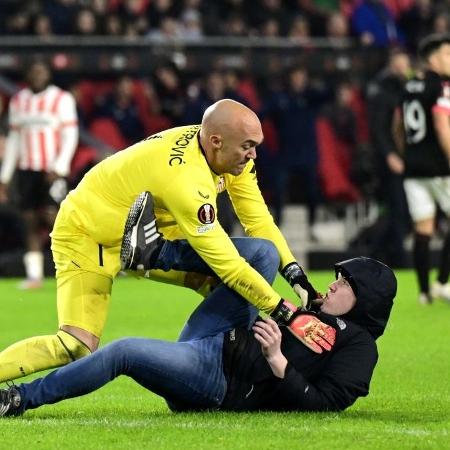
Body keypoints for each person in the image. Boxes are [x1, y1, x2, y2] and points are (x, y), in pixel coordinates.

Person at [0, 99, 319, 384]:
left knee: (234, 284)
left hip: (146, 240)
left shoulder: (222, 148)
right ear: (217, 142)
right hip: (86, 234)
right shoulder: (186, 180)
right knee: (76, 346)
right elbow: (231, 265)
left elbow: (258, 220)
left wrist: (295, 276)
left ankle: (227, 372)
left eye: (256, 145)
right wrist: (285, 311)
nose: (253, 155)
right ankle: (218, 370)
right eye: (248, 146)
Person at [0, 256, 397, 416]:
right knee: (260, 255)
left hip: (219, 378)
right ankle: (152, 254)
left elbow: (327, 404)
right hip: (219, 334)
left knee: (123, 351)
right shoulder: (317, 308)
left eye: (344, 283)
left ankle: (19, 399)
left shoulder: (359, 346)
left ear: (364, 299)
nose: (333, 285)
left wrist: (279, 362)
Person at [0, 60, 79, 289]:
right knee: (29, 221)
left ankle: (76, 266)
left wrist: (60, 166)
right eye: (34, 71)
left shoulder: (61, 99)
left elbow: (70, 135)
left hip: (51, 170)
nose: (38, 75)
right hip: (27, 170)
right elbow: (14, 140)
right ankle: (35, 276)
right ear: (28, 74)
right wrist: (4, 177)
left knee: (55, 218)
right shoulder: (19, 101)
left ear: (48, 74)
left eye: (42, 70)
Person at [394, 33, 450, 304]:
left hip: (413, 167)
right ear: (433, 58)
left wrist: (406, 154)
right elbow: (442, 124)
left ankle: (424, 292)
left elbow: (397, 125)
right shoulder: (441, 85)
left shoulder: (410, 84)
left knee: (423, 229)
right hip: (439, 167)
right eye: (447, 55)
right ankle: (441, 282)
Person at [366, 48, 412, 267]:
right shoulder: (384, 91)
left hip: (405, 160)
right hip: (390, 162)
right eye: (400, 63)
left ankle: (375, 253)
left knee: (399, 211)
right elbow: (378, 129)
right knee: (398, 209)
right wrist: (390, 155)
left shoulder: (406, 89)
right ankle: (396, 257)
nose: (404, 68)